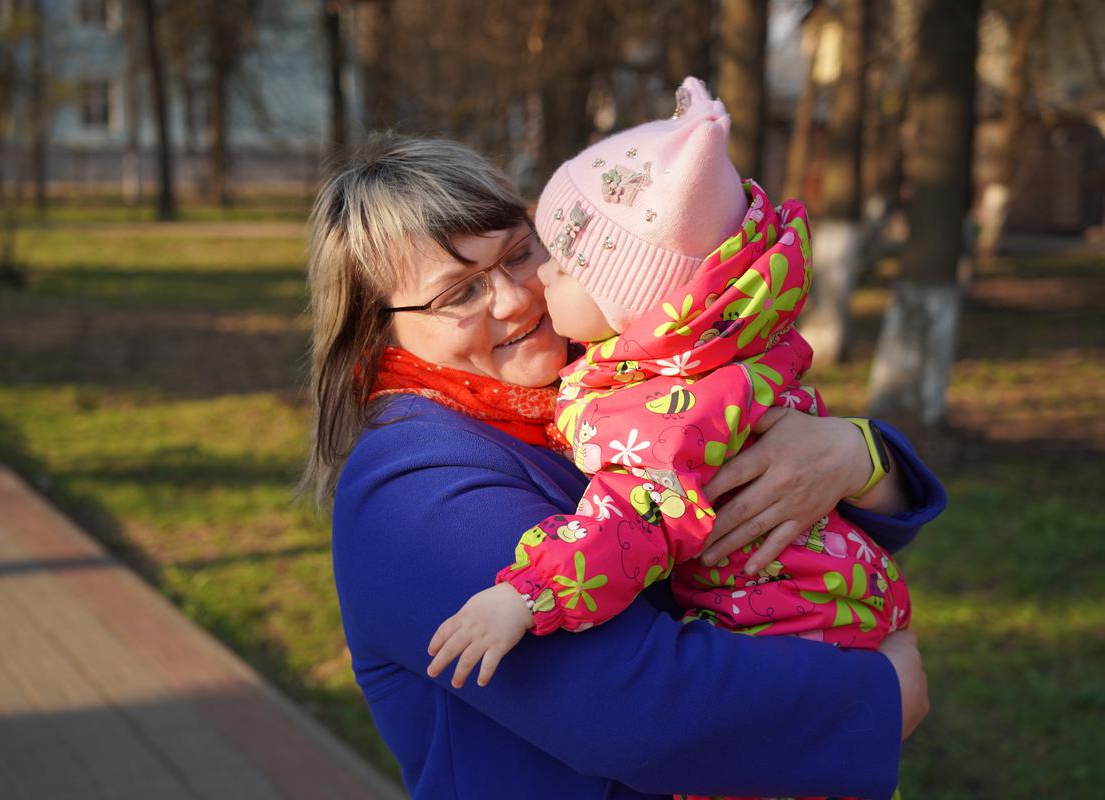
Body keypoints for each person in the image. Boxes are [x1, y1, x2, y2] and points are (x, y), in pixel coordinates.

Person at [306, 131, 946, 800]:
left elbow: (787, 517)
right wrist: (878, 698)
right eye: (458, 294)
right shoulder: (411, 489)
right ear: (377, 329)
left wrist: (856, 456)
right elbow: (629, 708)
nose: (515, 298)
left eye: (521, 253)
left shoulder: (601, 381)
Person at [427, 78, 909, 714]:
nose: (540, 279)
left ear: (633, 303)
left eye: (562, 267)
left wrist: (524, 597)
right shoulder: (715, 353)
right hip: (834, 597)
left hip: (788, 626)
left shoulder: (667, 410)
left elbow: (634, 521)